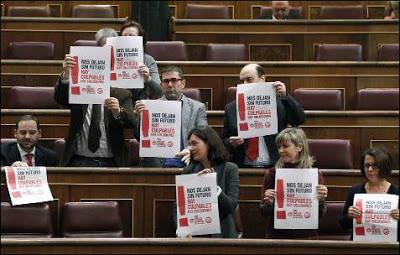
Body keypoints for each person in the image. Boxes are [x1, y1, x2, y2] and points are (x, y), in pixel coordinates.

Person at [54, 28, 135, 167]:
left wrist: (117, 111)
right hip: (78, 161)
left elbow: (131, 122)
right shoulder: (79, 85)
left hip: (111, 162)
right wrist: (67, 76)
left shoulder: (122, 93)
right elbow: (60, 98)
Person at [223, 63, 305, 168]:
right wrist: (231, 142)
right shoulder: (231, 108)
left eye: (249, 79)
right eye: (242, 81)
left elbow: (299, 119)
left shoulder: (280, 102)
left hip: (275, 166)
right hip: (243, 167)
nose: (244, 84)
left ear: (262, 78)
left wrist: (285, 96)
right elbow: (224, 142)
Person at [259, 127, 328, 239]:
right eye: (279, 147)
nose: (280, 150)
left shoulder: (314, 174)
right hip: (277, 237)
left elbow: (320, 214)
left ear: (299, 147)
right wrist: (269, 203)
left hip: (307, 236)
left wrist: (320, 200)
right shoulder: (272, 174)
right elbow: (263, 212)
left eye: (285, 146)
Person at [134, 65, 208, 167]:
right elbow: (138, 137)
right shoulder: (150, 107)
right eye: (166, 81)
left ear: (183, 83)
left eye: (174, 80)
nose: (170, 84)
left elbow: (204, 137)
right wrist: (140, 118)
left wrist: (190, 149)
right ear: (161, 85)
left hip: (187, 162)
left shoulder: (197, 108)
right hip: (157, 165)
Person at [174, 126, 240, 238]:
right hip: (195, 236)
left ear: (208, 143)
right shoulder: (188, 171)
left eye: (194, 143)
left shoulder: (230, 169)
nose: (191, 148)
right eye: (190, 144)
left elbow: (231, 206)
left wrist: (213, 187)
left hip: (223, 235)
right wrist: (182, 229)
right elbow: (178, 206)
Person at [339, 148, 399, 241]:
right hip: (360, 246)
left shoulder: (397, 192)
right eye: (367, 165)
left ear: (384, 166)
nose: (370, 169)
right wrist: (349, 216)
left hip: (390, 247)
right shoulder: (355, 190)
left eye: (374, 165)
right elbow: (343, 224)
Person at [119, 20, 163, 103]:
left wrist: (148, 79)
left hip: (141, 105)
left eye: (131, 36)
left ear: (141, 40)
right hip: (115, 106)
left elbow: (159, 93)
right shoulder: (111, 59)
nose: (127, 39)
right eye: (124, 36)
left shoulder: (148, 60)